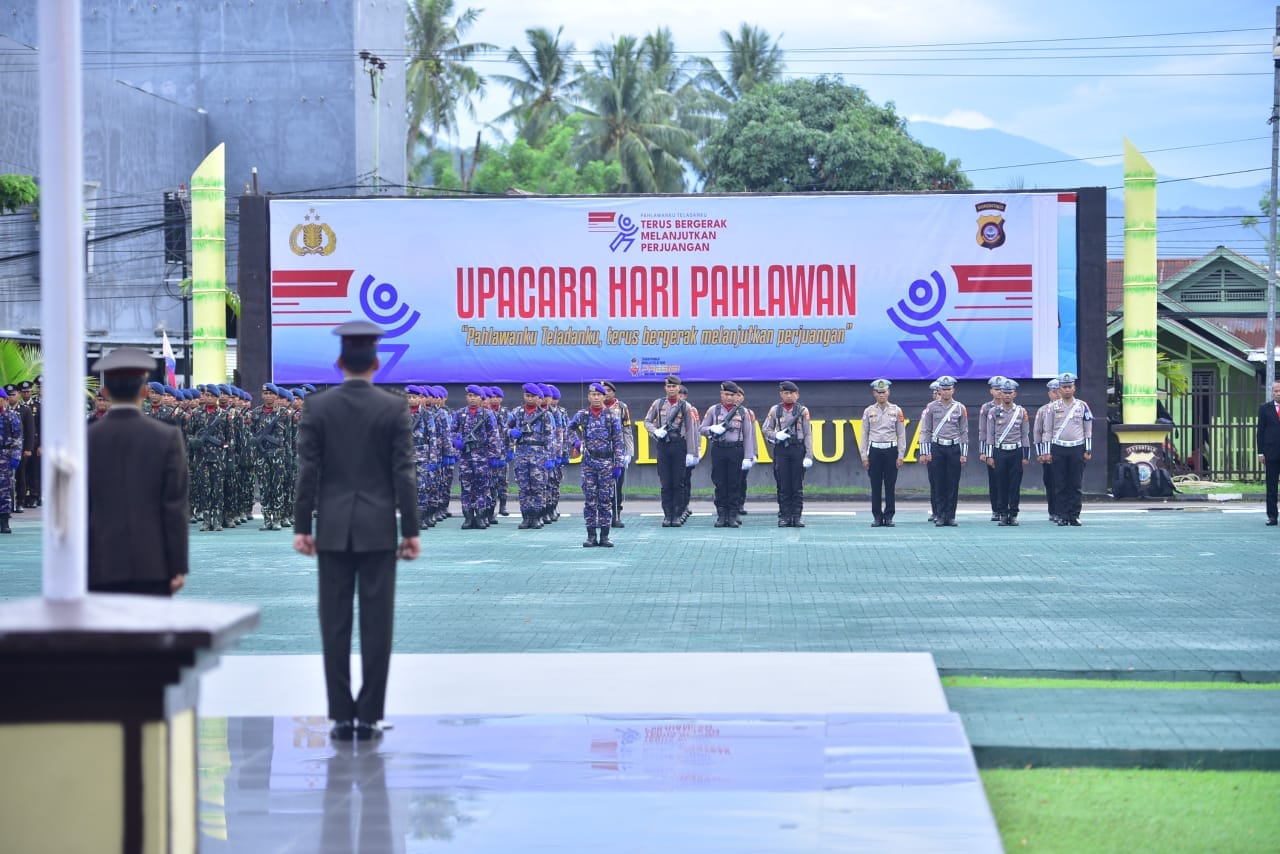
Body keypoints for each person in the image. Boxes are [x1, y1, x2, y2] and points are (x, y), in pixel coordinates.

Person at [293, 320, 421, 742]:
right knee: (376, 624)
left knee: (334, 623)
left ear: (339, 361)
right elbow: (403, 471)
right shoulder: (393, 408)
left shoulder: (317, 408)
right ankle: (368, 717)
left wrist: (302, 526)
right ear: (377, 362)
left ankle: (341, 717)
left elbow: (308, 471)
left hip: (331, 528)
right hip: (378, 529)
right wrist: (411, 530)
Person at [86, 348, 189, 594]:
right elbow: (174, 507)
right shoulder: (167, 437)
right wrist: (177, 566)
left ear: (105, 392)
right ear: (144, 391)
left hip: (100, 563)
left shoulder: (85, 439)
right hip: (152, 565)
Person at [568, 383, 625, 547]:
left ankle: (605, 536)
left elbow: (618, 442)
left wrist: (618, 464)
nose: (596, 398)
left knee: (605, 500)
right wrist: (576, 442)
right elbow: (569, 429)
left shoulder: (611, 417)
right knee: (590, 500)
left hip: (607, 463)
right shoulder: (582, 415)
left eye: (599, 395)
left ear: (604, 397)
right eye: (593, 395)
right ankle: (591, 535)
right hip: (588, 463)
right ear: (588, 397)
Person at [1036, 372, 1093, 527]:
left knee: (1075, 484)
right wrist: (1046, 451)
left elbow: (1087, 429)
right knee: (1059, 484)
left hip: (1077, 447)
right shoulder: (1052, 408)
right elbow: (1047, 430)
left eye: (1070, 386)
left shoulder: (1082, 406)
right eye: (1064, 387)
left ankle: (1074, 515)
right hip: (1058, 448)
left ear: (1074, 388)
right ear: (1059, 389)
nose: (1067, 390)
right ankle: (1061, 515)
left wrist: (1088, 449)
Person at [643, 375, 700, 527]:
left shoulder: (685, 406)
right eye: (668, 386)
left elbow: (691, 430)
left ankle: (677, 514)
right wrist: (655, 431)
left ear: (678, 387)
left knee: (678, 482)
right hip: (663, 445)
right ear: (665, 387)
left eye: (674, 387)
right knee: (665, 482)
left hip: (679, 445)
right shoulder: (658, 403)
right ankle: (667, 514)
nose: (671, 389)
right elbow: (647, 421)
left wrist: (692, 452)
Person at [700, 381, 757, 528]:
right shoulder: (714, 410)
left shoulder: (743, 412)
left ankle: (732, 516)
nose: (730, 398)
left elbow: (748, 435)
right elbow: (701, 428)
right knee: (720, 483)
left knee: (734, 483)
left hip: (736, 450)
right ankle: (721, 515)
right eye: (726, 394)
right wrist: (713, 428)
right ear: (721, 394)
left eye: (732, 395)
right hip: (719, 448)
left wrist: (748, 456)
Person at [762, 381, 814, 527]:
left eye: (792, 393)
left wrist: (809, 455)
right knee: (783, 484)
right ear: (781, 394)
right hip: (781, 450)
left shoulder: (803, 411)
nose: (789, 396)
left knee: (797, 485)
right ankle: (784, 516)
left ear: (797, 395)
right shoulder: (775, 410)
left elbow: (808, 433)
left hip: (798, 449)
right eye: (786, 393)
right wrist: (776, 435)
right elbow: (765, 429)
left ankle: (796, 516)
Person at [918, 376, 968, 527]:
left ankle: (950, 516)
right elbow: (926, 430)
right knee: (938, 483)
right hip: (937, 447)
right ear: (939, 390)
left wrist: (963, 454)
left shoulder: (960, 407)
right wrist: (925, 451)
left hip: (954, 447)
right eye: (943, 389)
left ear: (953, 389)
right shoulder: (931, 407)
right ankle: (940, 515)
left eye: (949, 389)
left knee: (953, 483)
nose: (946, 392)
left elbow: (964, 432)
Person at [860, 379, 906, 528]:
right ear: (874, 393)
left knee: (890, 485)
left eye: (884, 392)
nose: (881, 395)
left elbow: (901, 434)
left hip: (891, 450)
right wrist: (864, 456)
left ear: (889, 392)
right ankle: (877, 517)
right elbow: (864, 434)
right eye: (879, 392)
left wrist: (900, 455)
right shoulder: (868, 411)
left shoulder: (896, 410)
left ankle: (889, 516)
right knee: (875, 485)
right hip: (874, 451)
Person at [985, 379, 1031, 526]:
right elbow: (990, 435)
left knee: (1015, 485)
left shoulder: (1021, 411)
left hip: (1016, 451)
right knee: (1001, 484)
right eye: (1004, 392)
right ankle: (1003, 513)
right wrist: (989, 455)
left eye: (1009, 393)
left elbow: (1025, 434)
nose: (1006, 395)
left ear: (1014, 394)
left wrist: (1026, 455)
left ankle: (1014, 514)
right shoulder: (993, 411)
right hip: (1000, 451)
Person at [600, 380, 634, 529]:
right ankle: (602, 516)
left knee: (617, 486)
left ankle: (616, 515)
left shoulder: (621, 407)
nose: (605, 393)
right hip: (599, 452)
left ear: (613, 392)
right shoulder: (595, 407)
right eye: (603, 390)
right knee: (600, 486)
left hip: (617, 451)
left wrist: (629, 452)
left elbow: (627, 430)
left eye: (608, 390)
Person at [977, 376, 1006, 521]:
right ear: (991, 391)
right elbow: (983, 430)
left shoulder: (1011, 406)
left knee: (1006, 480)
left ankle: (1005, 509)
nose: (999, 392)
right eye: (996, 389)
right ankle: (996, 509)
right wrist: (983, 451)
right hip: (991, 447)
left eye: (1001, 389)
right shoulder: (986, 408)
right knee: (994, 480)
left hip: (1007, 447)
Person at [1034, 379, 1062, 522]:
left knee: (1065, 482)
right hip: (1048, 452)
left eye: (1059, 390)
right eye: (1054, 391)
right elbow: (1038, 432)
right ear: (1049, 393)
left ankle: (1065, 510)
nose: (1057, 394)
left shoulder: (1072, 407)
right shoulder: (1043, 410)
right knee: (1050, 482)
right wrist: (1040, 452)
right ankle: (1053, 510)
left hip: (1064, 449)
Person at [1256, 380, 1280, 526]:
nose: (1278, 393)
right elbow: (1260, 432)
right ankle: (1272, 516)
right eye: (1275, 391)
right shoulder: (1265, 408)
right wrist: (1260, 453)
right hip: (1271, 454)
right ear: (1272, 392)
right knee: (1271, 487)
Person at [0, 389, 21, 534]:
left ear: (4, 400)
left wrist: (15, 458)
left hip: (5, 456)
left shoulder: (11, 416)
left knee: (5, 490)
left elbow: (18, 438)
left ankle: (4, 521)